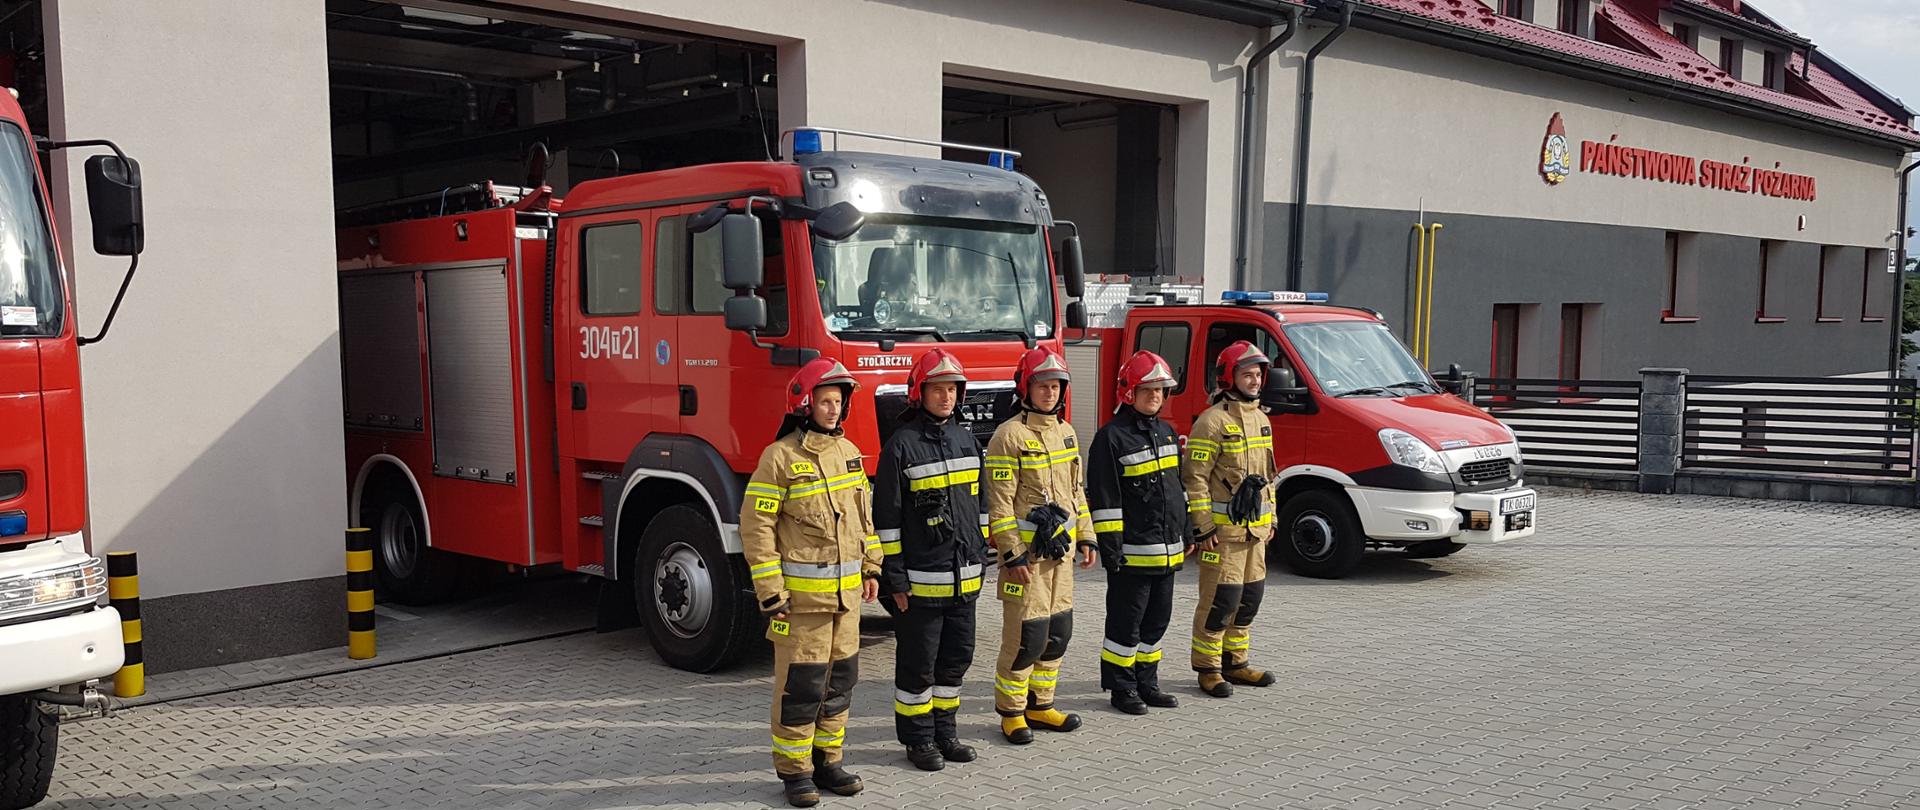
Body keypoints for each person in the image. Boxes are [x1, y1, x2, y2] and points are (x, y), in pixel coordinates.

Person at [740, 358, 882, 807]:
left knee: (840, 683)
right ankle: (795, 773)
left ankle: (829, 763)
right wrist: (770, 592)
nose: (833, 410)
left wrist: (872, 566)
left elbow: (864, 519)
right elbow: (756, 527)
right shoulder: (779, 458)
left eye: (838, 402)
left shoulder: (849, 453)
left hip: (847, 601)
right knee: (801, 688)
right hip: (800, 605)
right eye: (825, 401)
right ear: (805, 404)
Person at [873, 349, 987, 772]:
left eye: (952, 389)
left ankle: (946, 732)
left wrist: (981, 556)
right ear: (919, 393)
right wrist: (896, 580)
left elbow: (981, 506)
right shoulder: (901, 446)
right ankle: (918, 741)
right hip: (920, 585)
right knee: (918, 668)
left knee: (956, 660)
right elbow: (886, 520)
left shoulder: (965, 438)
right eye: (937, 389)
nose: (946, 397)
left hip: (964, 579)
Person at [984, 346, 1096, 744]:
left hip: (1060, 557)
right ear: (1025, 388)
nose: (1050, 392)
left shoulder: (1065, 432)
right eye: (1042, 385)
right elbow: (998, 502)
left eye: (1055, 385)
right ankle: (1012, 711)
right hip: (1025, 562)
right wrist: (1011, 553)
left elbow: (1076, 492)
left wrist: (1086, 534)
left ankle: (1041, 704)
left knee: (1058, 632)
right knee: (1024, 636)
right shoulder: (1008, 436)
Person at [1086, 350, 1188, 714]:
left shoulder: (1167, 432)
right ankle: (1121, 687)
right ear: (1129, 393)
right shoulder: (1111, 438)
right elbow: (1105, 498)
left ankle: (1148, 682)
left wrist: (1186, 530)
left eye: (1161, 391)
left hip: (1167, 551)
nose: (1155, 397)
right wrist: (1111, 549)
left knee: (1156, 622)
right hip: (1132, 553)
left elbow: (1178, 489)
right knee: (1126, 625)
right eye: (1148, 391)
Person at [1183, 340, 1281, 699]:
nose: (1254, 381)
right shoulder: (1212, 422)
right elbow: (1194, 477)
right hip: (1222, 535)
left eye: (1257, 375)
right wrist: (1203, 525)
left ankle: (1235, 663)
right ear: (1229, 376)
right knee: (1219, 601)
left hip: (1255, 532)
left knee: (1249, 599)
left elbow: (1269, 476)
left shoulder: (1262, 420)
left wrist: (1272, 520)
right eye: (1247, 374)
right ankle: (1208, 669)